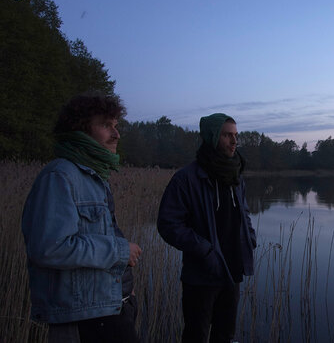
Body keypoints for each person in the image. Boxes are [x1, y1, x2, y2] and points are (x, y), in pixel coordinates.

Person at [21, 92, 142, 343]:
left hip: (111, 308)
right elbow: (50, 248)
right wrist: (121, 252)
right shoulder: (60, 176)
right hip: (86, 319)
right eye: (106, 125)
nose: (116, 134)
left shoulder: (94, 176)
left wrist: (124, 288)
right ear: (80, 130)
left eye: (116, 126)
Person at [157, 113, 257, 343]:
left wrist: (249, 237)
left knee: (225, 335)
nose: (234, 141)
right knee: (196, 336)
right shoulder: (186, 178)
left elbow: (244, 212)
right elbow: (168, 224)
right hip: (202, 274)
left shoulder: (236, 176)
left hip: (232, 270)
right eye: (227, 135)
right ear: (212, 138)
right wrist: (205, 250)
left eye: (235, 136)